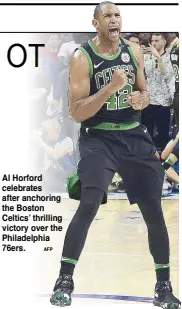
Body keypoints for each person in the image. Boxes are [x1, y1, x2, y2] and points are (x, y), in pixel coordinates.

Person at [50, 2, 181, 308]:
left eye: (117, 15)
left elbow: (143, 94)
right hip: (98, 137)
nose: (114, 20)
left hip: (134, 134)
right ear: (95, 23)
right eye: (107, 16)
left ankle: (163, 287)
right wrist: (109, 89)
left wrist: (140, 99)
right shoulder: (83, 58)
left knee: (154, 210)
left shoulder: (133, 51)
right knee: (90, 202)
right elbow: (77, 111)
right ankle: (64, 279)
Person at [141, 33, 175, 151]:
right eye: (152, 41)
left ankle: (162, 159)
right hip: (148, 101)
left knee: (163, 134)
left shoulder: (170, 57)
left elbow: (166, 74)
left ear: (164, 42)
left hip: (163, 102)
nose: (153, 43)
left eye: (156, 40)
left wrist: (158, 57)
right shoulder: (147, 57)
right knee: (147, 133)